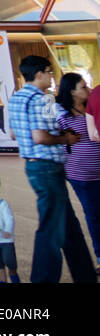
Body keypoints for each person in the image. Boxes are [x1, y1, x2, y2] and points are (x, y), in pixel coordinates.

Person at [6, 55, 95, 283]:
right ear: (39, 75)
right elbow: (41, 136)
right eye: (49, 72)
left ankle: (85, 275)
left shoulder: (16, 98)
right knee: (51, 229)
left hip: (34, 166)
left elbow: (14, 133)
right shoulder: (43, 100)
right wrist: (66, 138)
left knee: (68, 227)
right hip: (48, 167)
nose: (51, 77)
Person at [55, 72, 100, 265]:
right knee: (94, 215)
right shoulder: (62, 115)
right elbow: (58, 142)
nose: (88, 90)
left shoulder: (94, 108)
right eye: (83, 87)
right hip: (81, 176)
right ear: (72, 92)